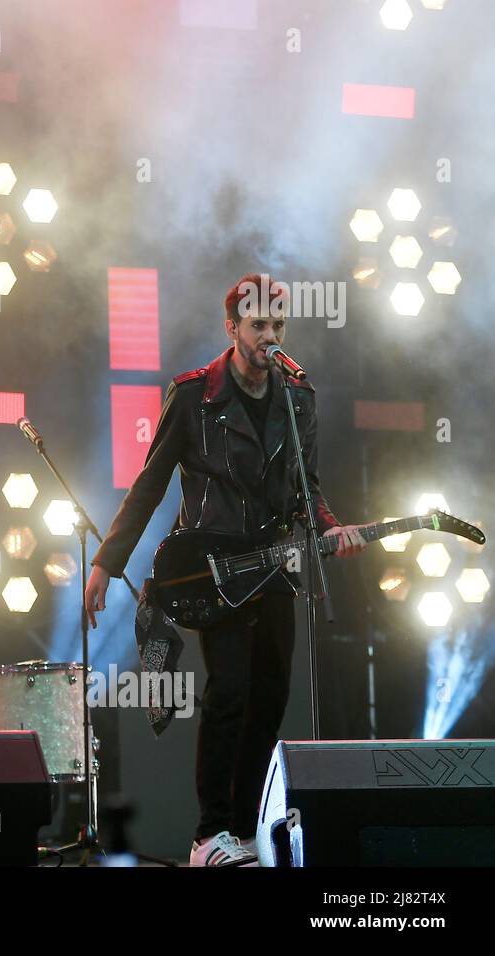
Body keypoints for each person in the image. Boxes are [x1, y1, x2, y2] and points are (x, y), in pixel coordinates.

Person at [83, 273, 368, 866]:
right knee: (230, 691)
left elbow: (306, 486)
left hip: (275, 566)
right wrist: (107, 563)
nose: (270, 335)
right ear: (232, 327)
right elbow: (150, 483)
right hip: (213, 570)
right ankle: (207, 834)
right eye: (259, 324)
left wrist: (329, 525)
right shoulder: (193, 396)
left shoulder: (298, 396)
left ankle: (241, 831)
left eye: (278, 325)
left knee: (270, 694)